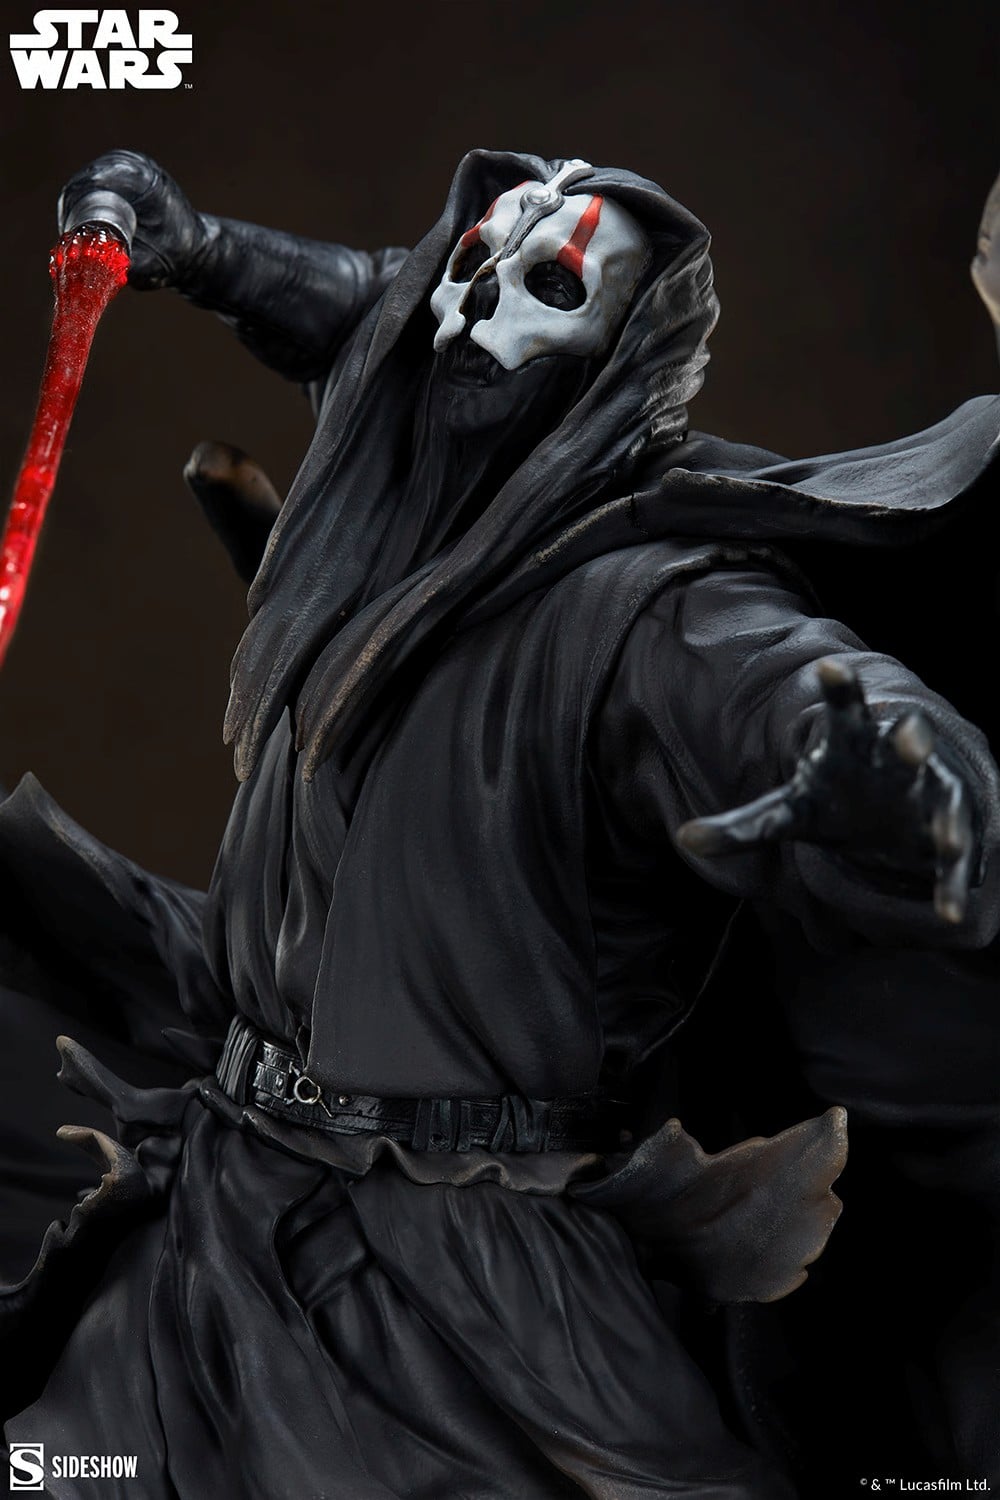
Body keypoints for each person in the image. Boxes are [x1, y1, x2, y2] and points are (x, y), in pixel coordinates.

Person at [3, 148, 1000, 1499]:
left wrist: (903, 777)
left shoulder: (659, 606)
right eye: (470, 267)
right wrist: (206, 250)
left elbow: (807, 693)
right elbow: (374, 310)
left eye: (552, 289)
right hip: (222, 1214)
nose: (476, 311)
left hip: (472, 1290)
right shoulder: (405, 523)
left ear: (616, 365)